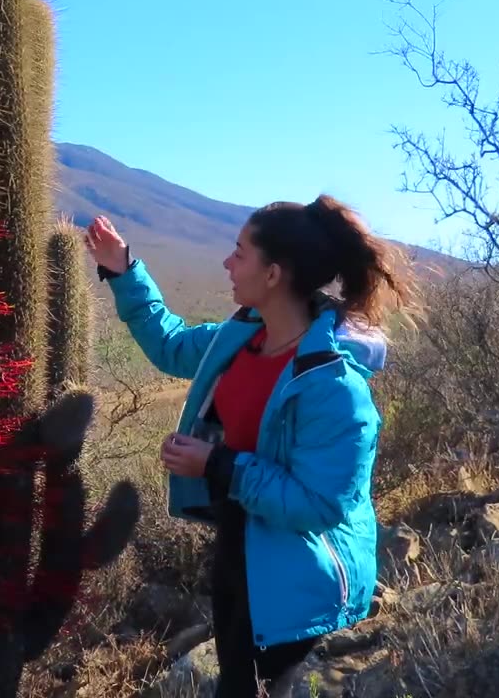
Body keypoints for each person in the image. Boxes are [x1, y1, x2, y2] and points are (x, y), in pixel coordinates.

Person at [83, 195, 414, 697]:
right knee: (238, 682)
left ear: (274, 274)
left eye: (239, 252)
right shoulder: (244, 338)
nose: (227, 262)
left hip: (301, 567)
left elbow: (321, 505)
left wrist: (217, 464)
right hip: (243, 538)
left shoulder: (334, 386)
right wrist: (123, 270)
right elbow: (171, 345)